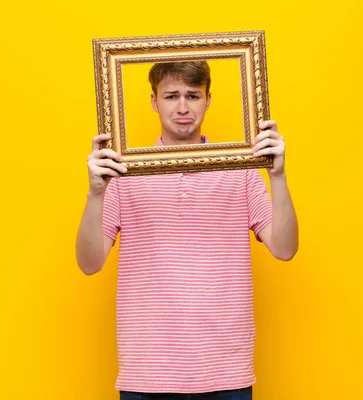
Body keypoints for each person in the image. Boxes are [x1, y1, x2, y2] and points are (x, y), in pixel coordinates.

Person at [76, 61, 298, 399]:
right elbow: (89, 263)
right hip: (146, 373)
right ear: (154, 101)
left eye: (193, 95)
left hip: (226, 371)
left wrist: (277, 176)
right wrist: (95, 193)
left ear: (208, 99)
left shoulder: (241, 170)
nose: (182, 107)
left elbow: (285, 249)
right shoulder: (123, 175)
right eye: (171, 95)